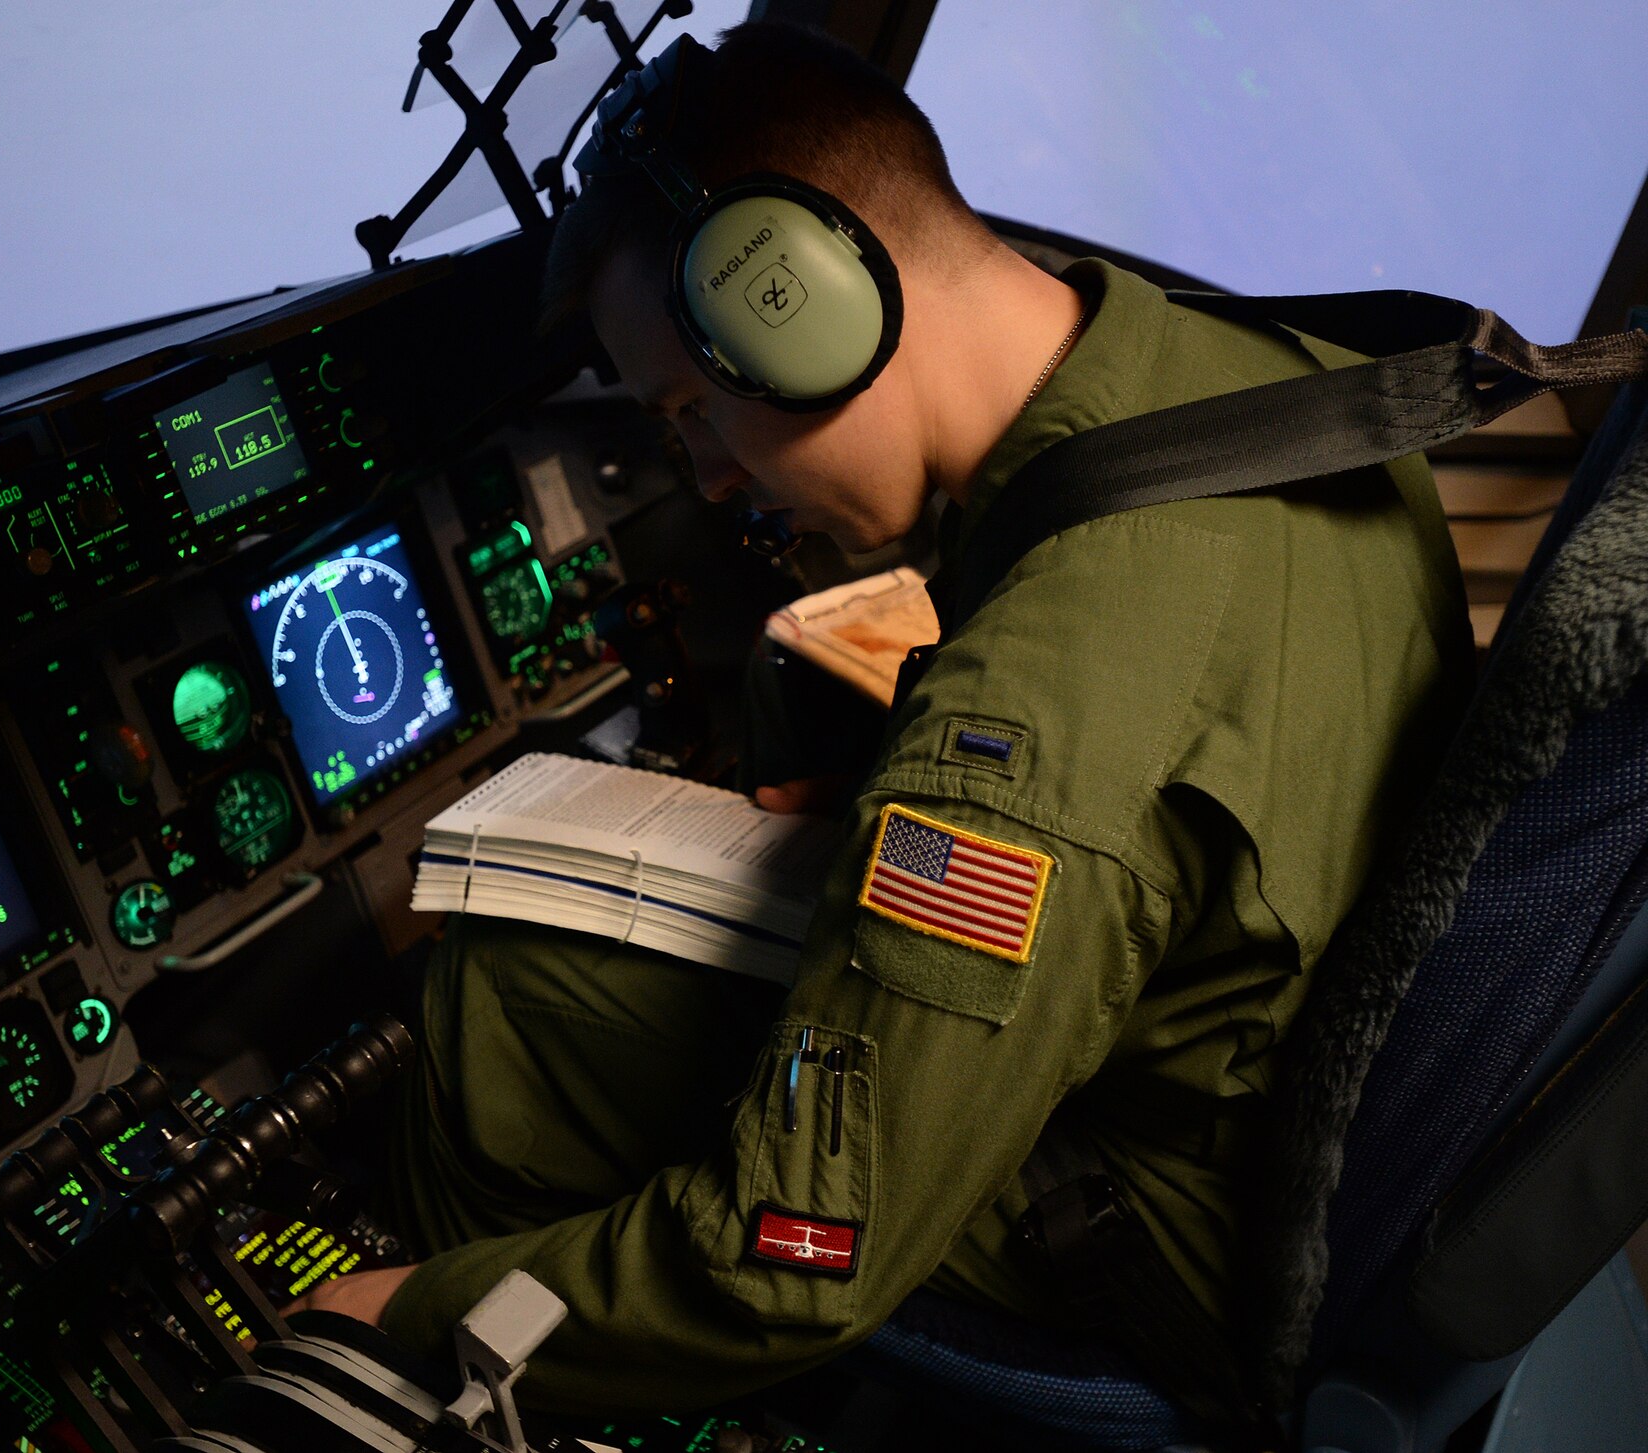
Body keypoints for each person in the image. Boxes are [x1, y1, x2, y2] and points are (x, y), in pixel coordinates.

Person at [288, 20, 1473, 1416]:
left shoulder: (1031, 735)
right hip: (1294, 1099)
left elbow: (782, 1263)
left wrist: (405, 1313)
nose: (708, 479)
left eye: (693, 407)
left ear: (801, 304)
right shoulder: (1252, 371)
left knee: (504, 997)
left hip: (1167, 1237)